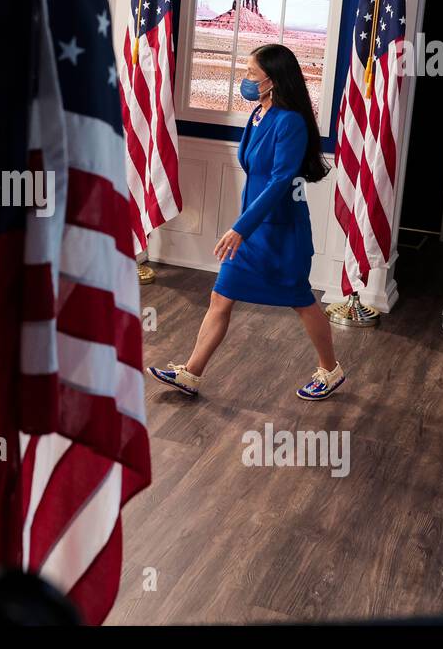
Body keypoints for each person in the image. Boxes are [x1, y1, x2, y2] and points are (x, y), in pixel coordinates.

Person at [148, 43, 345, 401]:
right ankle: (191, 374)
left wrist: (241, 227)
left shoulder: (291, 122)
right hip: (251, 231)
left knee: (301, 300)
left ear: (273, 79)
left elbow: (280, 180)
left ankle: (330, 370)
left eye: (252, 73)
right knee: (220, 297)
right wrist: (244, 227)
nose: (246, 78)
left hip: (282, 233)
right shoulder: (259, 114)